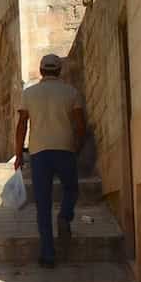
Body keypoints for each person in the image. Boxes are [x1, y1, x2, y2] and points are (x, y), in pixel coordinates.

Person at [14, 54, 86, 269]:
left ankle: (48, 254)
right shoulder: (71, 93)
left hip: (39, 153)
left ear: (42, 70)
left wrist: (19, 154)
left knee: (43, 204)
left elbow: (21, 126)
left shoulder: (29, 94)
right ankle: (65, 215)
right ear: (59, 70)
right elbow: (80, 126)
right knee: (71, 189)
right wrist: (77, 147)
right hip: (64, 148)